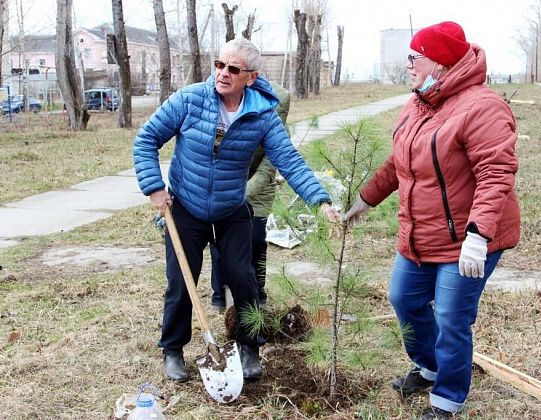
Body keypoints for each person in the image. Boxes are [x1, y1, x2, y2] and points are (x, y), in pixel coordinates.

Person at [133, 37, 340, 383]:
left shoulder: (262, 114)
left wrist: (320, 200)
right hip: (186, 205)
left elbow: (288, 160)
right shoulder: (190, 100)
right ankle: (172, 349)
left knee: (244, 279)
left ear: (252, 77)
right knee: (181, 282)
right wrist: (155, 188)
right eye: (219, 65)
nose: (223, 73)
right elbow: (146, 139)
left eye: (233, 69)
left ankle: (249, 346)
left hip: (231, 208)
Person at [343, 21, 520, 419]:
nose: (407, 64)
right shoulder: (420, 100)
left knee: (452, 318)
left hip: (468, 237)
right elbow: (399, 161)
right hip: (421, 234)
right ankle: (431, 366)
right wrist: (366, 199)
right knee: (403, 299)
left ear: (438, 61)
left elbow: (496, 173)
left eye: (414, 56)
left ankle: (448, 399)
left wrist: (478, 235)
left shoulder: (482, 106)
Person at [209, 81, 290, 311]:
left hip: (259, 188)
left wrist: (242, 194)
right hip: (227, 182)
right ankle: (220, 292)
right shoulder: (227, 121)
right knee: (219, 239)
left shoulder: (278, 132)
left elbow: (267, 170)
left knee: (255, 240)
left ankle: (258, 292)